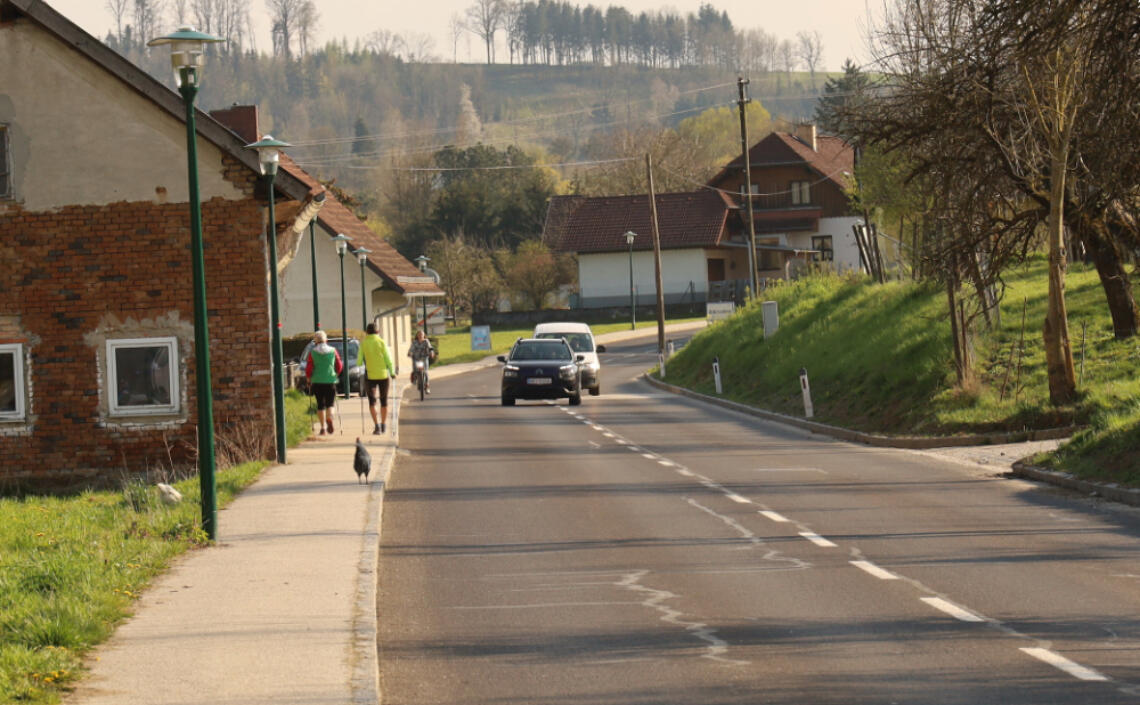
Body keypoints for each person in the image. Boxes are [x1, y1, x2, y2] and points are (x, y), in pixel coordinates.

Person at [305, 330, 342, 435]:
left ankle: (323, 428)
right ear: (326, 339)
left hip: (317, 381)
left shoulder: (313, 352)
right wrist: (336, 374)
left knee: (320, 405)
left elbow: (309, 369)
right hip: (330, 380)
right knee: (330, 404)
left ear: (315, 341)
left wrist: (308, 380)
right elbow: (339, 365)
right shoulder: (333, 350)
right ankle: (329, 418)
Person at [360, 322, 395, 434]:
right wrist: (392, 372)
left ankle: (377, 426)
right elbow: (388, 358)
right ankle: (384, 425)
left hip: (370, 376)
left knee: (372, 402)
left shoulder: (364, 343)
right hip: (383, 375)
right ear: (378, 332)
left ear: (367, 332)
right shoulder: (382, 342)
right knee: (384, 401)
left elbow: (358, 361)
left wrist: (362, 363)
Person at [407, 329, 434, 394]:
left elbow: (430, 348)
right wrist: (410, 353)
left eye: (421, 334)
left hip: (424, 358)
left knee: (426, 372)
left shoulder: (426, 341)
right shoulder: (414, 342)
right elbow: (411, 349)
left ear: (424, 335)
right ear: (417, 335)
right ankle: (415, 378)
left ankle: (427, 387)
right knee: (416, 370)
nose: (420, 336)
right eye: (419, 334)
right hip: (416, 358)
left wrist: (431, 353)